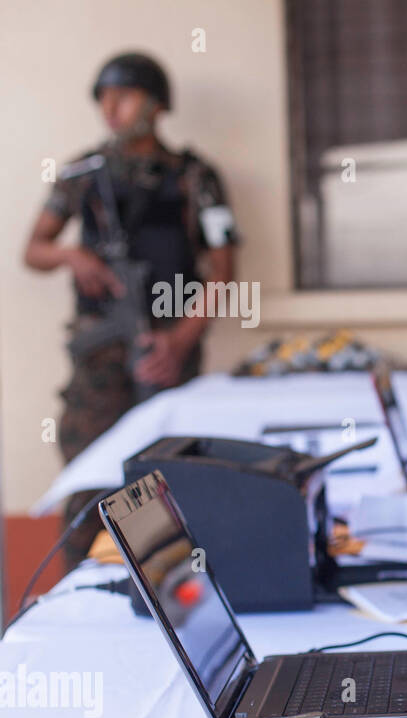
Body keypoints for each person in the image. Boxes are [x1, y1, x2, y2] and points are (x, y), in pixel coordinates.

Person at [23, 52, 239, 567]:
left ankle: (168, 594)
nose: (111, 108)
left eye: (124, 95)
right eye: (103, 98)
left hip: (166, 351)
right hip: (99, 360)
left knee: (167, 479)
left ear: (157, 104)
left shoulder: (196, 178)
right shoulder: (82, 174)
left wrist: (179, 340)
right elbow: (34, 250)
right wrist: (73, 256)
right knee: (89, 477)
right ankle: (77, 592)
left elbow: (224, 271)